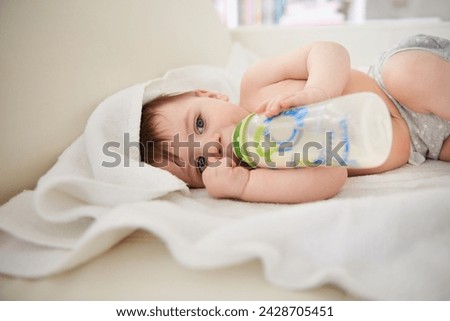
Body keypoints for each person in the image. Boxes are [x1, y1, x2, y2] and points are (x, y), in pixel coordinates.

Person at [139, 34, 450, 204]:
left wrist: (319, 89)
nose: (213, 146)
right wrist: (246, 184)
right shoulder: (269, 165)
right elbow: (333, 176)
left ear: (210, 95)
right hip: (423, 145)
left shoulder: (256, 85)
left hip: (391, 88)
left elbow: (328, 50)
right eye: (201, 164)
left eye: (199, 124)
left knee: (408, 74)